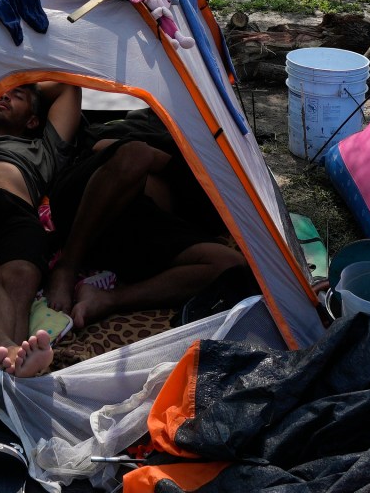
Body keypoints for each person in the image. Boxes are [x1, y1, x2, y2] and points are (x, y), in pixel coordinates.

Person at [41, 108, 245, 332]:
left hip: (139, 231)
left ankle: (108, 300)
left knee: (231, 265)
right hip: (87, 203)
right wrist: (168, 163)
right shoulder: (143, 126)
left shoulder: (219, 175)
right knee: (138, 154)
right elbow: (102, 147)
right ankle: (67, 266)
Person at [0, 81, 82, 378]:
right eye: (0, 95)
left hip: (19, 212)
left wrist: (27, 88)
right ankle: (10, 347)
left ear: (33, 120)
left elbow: (69, 88)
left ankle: (8, 359)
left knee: (22, 277)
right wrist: (5, 90)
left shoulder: (45, 148)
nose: (4, 95)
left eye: (16, 97)